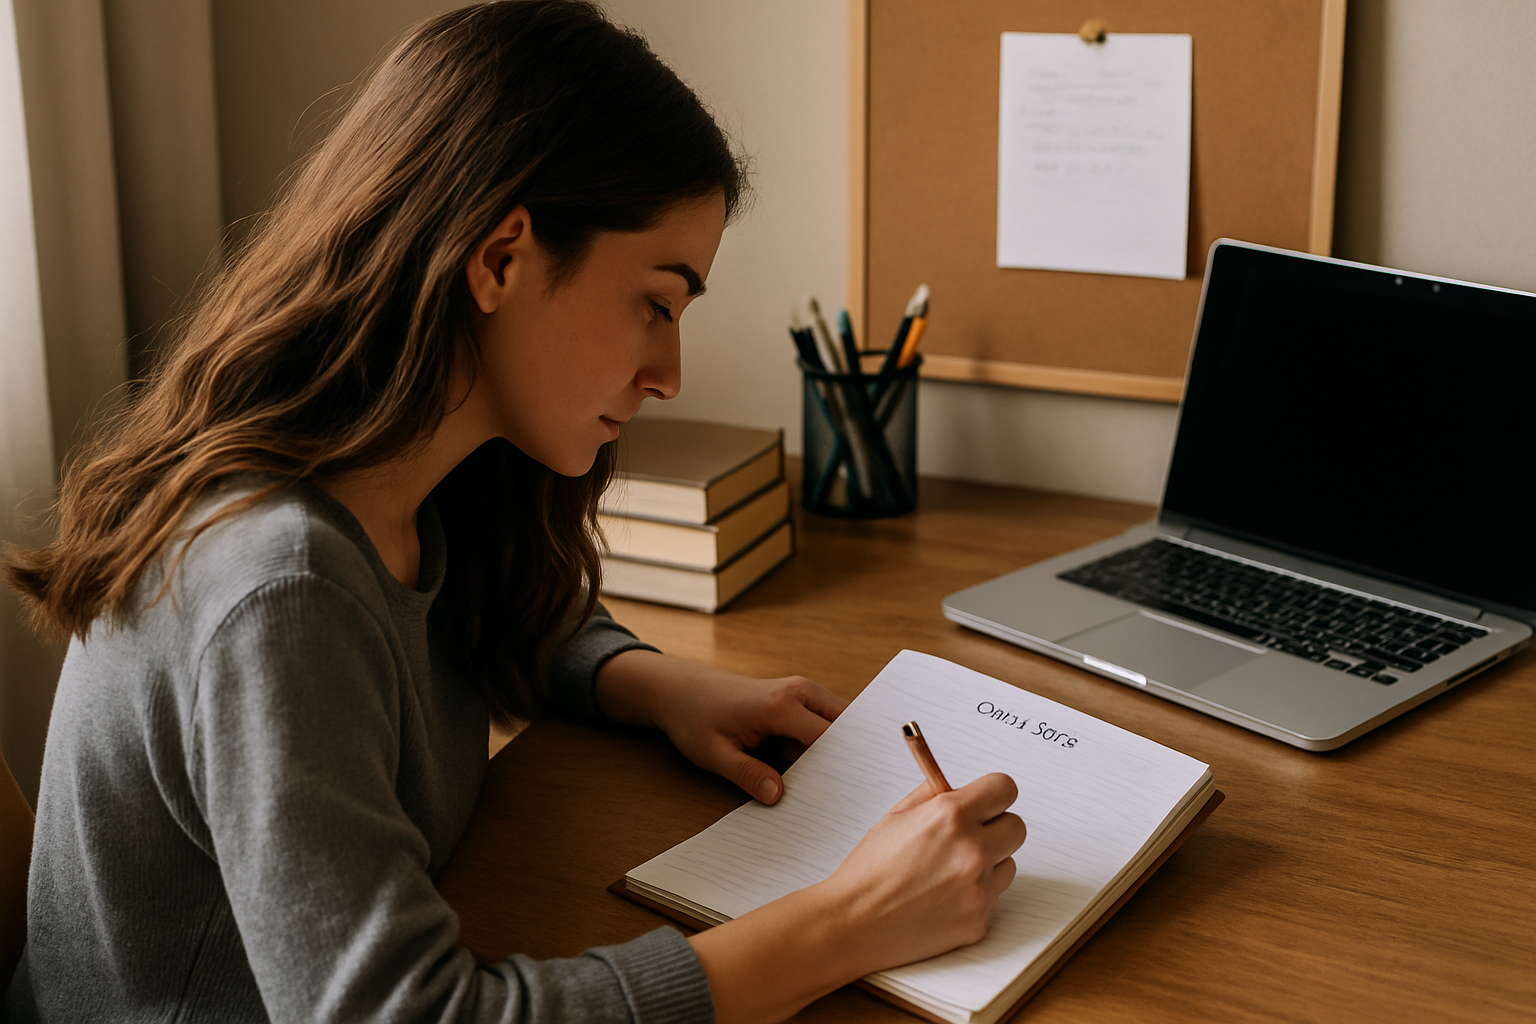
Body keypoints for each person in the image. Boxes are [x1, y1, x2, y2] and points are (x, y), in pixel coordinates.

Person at [2, 3, 1025, 1022]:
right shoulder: (278, 587)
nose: (670, 372)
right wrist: (848, 918)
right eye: (658, 304)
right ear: (501, 258)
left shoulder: (412, 479)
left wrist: (650, 683)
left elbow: (469, 616)